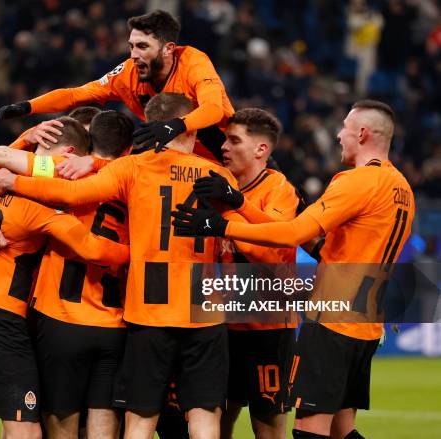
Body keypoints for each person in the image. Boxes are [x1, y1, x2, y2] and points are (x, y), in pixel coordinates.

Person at [0, 93, 238, 439]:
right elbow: (236, 243)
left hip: (143, 310)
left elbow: (69, 192)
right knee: (205, 417)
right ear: (191, 130)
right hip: (201, 309)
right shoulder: (221, 176)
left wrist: (16, 179)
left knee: (139, 419)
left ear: (149, 129)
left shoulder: (129, 170)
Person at [172, 100, 415, 439]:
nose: (338, 134)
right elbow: (324, 248)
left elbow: (292, 233)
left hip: (333, 323)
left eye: (344, 127)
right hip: (365, 322)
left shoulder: (357, 181)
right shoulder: (402, 187)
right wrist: (245, 206)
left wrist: (222, 224)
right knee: (342, 431)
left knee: (307, 431)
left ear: (361, 133)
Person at [0, 117, 130, 439]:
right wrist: (136, 253)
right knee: (26, 431)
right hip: (2, 317)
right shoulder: (42, 210)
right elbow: (92, 249)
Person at [0, 110, 133, 438]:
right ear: (128, 150)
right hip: (114, 325)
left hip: (61, 319)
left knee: (61, 430)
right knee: (104, 431)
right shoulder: (135, 182)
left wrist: (31, 136)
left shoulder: (64, 171)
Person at [0, 10, 234, 157]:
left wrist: (173, 126)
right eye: (131, 46)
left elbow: (214, 110)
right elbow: (76, 95)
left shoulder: (193, 62)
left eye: (142, 46)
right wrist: (28, 107)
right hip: (176, 160)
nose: (134, 54)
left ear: (168, 49)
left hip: (229, 156)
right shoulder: (128, 72)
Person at [193, 109, 301, 439]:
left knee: (267, 427)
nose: (224, 147)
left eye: (234, 140)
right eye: (225, 139)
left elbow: (269, 254)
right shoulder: (217, 185)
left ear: (261, 150)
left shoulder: (279, 190)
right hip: (220, 326)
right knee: (216, 419)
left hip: (265, 327)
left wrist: (227, 217)